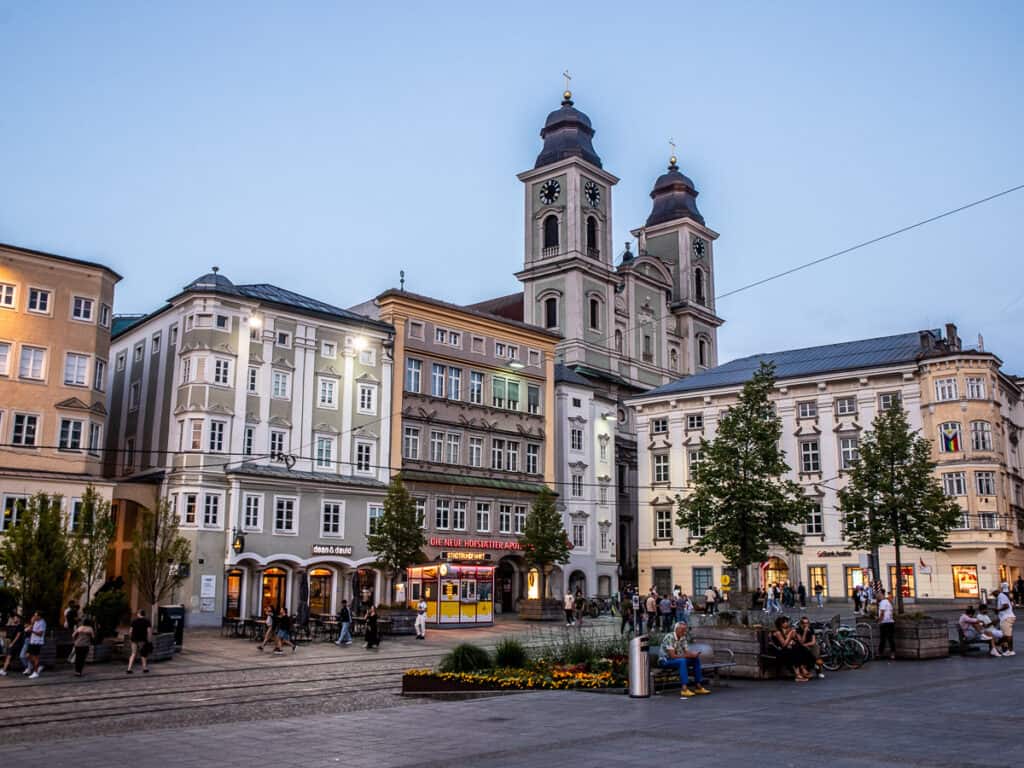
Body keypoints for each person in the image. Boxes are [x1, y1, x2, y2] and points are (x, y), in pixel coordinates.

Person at [658, 621, 710, 698]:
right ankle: (684, 689)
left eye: (685, 629)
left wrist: (693, 654)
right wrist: (686, 655)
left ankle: (698, 686)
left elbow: (686, 652)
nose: (684, 631)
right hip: (665, 661)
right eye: (682, 630)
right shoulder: (669, 637)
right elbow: (672, 656)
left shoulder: (683, 637)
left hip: (677, 660)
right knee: (682, 661)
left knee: (695, 659)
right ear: (676, 629)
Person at [770, 616, 814, 682]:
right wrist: (790, 635)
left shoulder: (788, 630)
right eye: (785, 622)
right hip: (780, 651)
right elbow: (784, 645)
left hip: (789, 649)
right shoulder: (778, 632)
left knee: (800, 648)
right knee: (794, 652)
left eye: (787, 622)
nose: (787, 623)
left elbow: (798, 641)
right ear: (781, 624)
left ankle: (802, 669)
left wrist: (794, 637)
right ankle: (798, 674)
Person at [127, 608, 152, 673]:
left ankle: (129, 669)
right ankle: (145, 668)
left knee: (133, 653)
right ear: (144, 614)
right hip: (142, 640)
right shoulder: (147, 621)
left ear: (138, 614)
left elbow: (130, 631)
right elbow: (149, 632)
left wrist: (130, 638)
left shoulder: (134, 621)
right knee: (143, 654)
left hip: (134, 639)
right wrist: (149, 640)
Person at [25, 610, 46, 679]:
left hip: (38, 642)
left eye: (36, 615)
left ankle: (36, 672)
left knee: (35, 657)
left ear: (39, 616)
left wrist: (32, 631)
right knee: (28, 655)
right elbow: (29, 629)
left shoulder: (42, 623)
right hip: (32, 641)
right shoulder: (35, 621)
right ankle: (38, 666)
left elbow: (40, 634)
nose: (34, 616)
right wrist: (31, 624)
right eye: (34, 615)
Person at [996, 582, 1016, 656]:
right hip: (1009, 616)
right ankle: (1005, 648)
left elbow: (1006, 606)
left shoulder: (1001, 595)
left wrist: (998, 610)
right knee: (1006, 634)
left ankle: (1009, 650)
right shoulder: (1009, 595)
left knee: (1007, 635)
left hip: (1006, 617)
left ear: (1000, 588)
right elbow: (1012, 605)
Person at [877, 589, 896, 660]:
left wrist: (879, 621)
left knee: (883, 639)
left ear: (881, 594)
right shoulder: (888, 601)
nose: (877, 595)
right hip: (891, 622)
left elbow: (882, 613)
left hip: (885, 622)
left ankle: (880, 653)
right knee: (891, 639)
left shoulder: (883, 602)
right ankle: (892, 654)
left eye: (878, 594)